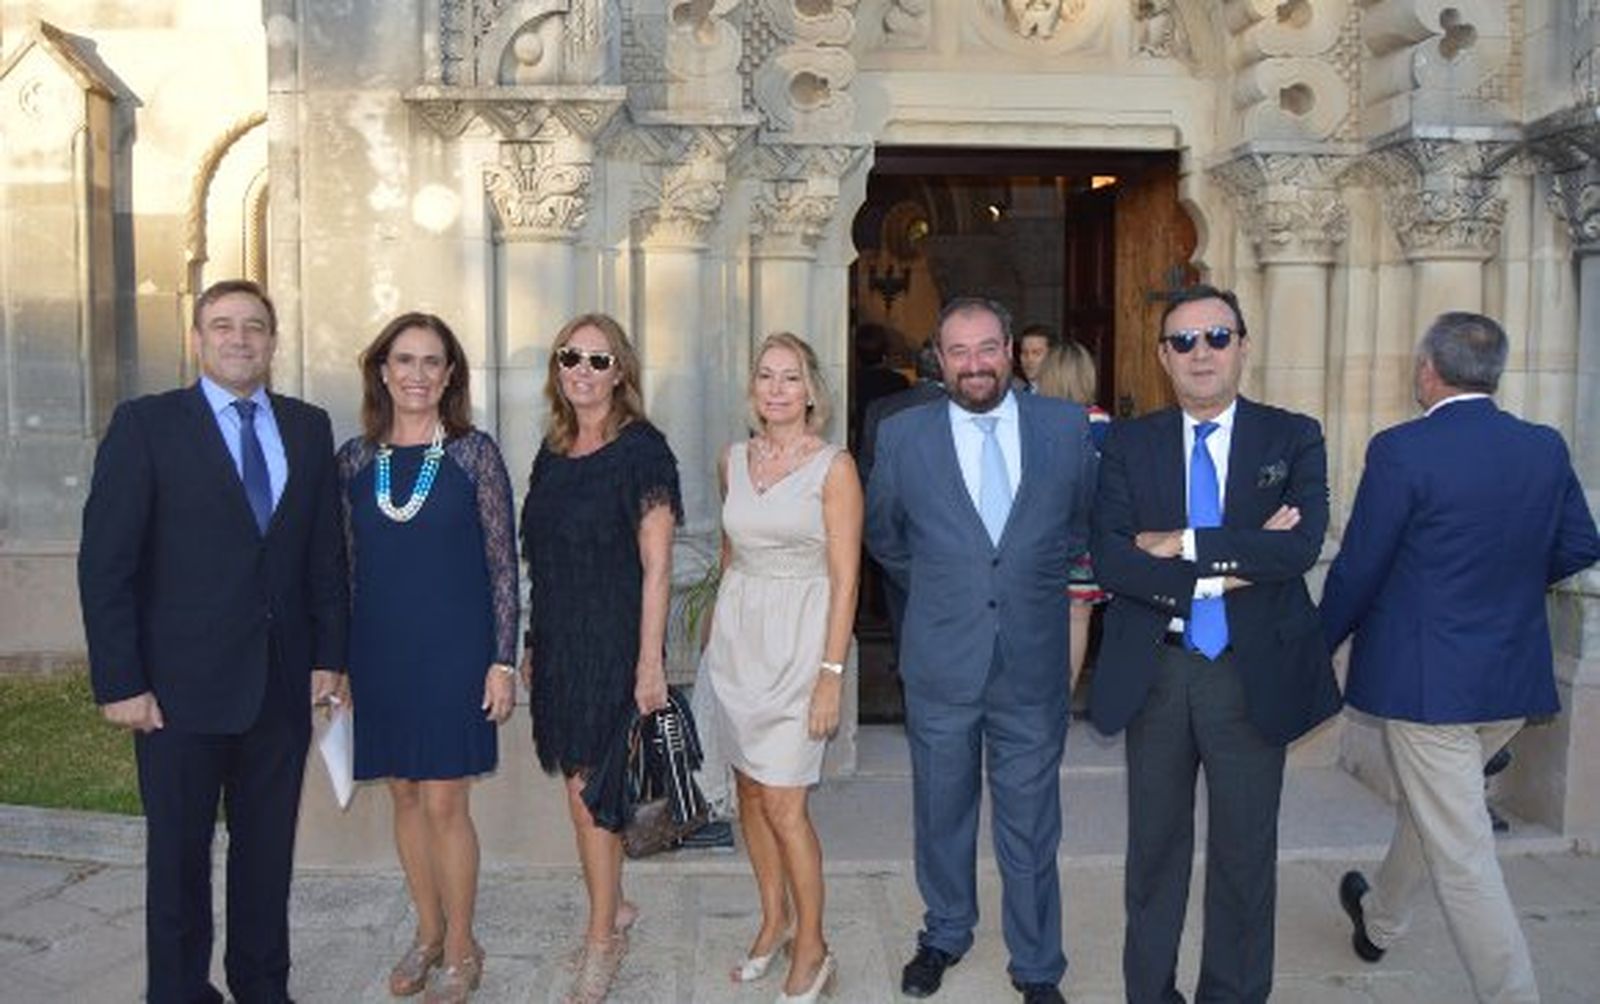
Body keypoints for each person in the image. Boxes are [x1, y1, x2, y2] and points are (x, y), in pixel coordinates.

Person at [77, 279, 348, 1004]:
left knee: (267, 859)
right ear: (197, 339)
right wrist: (120, 682)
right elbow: (106, 563)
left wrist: (330, 657)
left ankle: (263, 988)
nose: (239, 338)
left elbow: (325, 555)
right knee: (179, 860)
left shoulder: (307, 427)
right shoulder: (146, 426)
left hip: (280, 684)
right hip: (175, 694)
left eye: (254, 326)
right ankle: (176, 991)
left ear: (272, 340)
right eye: (222, 325)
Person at [1321, 312, 1600, 1004]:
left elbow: (1360, 567)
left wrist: (1314, 644)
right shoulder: (1542, 445)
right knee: (1441, 813)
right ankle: (1380, 920)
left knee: (1466, 859)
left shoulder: (1402, 450)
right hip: (1509, 680)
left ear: (1427, 370)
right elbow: (1578, 543)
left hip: (1429, 688)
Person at [1088, 284, 1341, 1004]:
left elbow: (1296, 550)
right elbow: (1111, 559)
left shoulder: (1292, 436)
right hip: (1159, 674)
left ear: (1244, 346)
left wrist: (1182, 545)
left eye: (1218, 337)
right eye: (1184, 341)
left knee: (1243, 856)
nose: (1202, 353)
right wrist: (1230, 567)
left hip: (1247, 675)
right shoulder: (1129, 444)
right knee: (1155, 855)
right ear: (1164, 358)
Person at [866, 297, 1096, 1004]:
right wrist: (949, 587)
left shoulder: (1063, 427)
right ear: (937, 357)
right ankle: (945, 932)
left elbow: (1079, 524)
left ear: (1010, 351)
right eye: (958, 351)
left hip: (1031, 662)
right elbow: (885, 537)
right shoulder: (903, 436)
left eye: (987, 348)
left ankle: (1036, 966)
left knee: (1031, 822)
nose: (974, 364)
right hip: (941, 660)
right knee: (941, 808)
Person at [335, 313, 518, 1002]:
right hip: (379, 652)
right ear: (382, 370)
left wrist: (502, 659)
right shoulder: (354, 460)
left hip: (455, 651)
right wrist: (339, 663)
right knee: (404, 794)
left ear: (449, 376)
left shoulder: (475, 454)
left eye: (431, 362)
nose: (416, 374)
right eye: (403, 360)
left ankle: (464, 944)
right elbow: (344, 571)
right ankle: (427, 932)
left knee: (444, 799)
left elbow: (503, 566)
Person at [519, 313, 681, 1004]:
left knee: (594, 790)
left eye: (598, 359)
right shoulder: (552, 451)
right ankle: (612, 907)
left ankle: (601, 937)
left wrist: (650, 665)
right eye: (570, 357)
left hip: (616, 641)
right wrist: (532, 643)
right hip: (561, 640)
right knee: (579, 785)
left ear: (622, 373)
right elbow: (542, 562)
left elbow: (659, 568)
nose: (582, 371)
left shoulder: (643, 450)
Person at [703, 332, 863, 1003]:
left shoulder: (834, 467)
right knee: (747, 793)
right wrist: (713, 636)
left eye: (789, 377)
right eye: (765, 376)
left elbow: (847, 577)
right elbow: (730, 551)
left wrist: (830, 673)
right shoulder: (732, 459)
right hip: (738, 642)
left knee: (785, 802)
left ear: (811, 390)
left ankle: (813, 944)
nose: (776, 389)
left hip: (802, 643)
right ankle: (774, 920)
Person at [1033, 340, 1112, 698]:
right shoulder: (1101, 423)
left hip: (1040, 535)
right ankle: (1062, 696)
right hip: (1088, 532)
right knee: (1077, 615)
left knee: (1037, 616)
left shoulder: (1032, 420)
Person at [1015, 323, 1056, 392]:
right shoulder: (1016, 392)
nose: (1029, 359)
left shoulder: (1061, 395)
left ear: (1052, 355)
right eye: (1024, 352)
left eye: (1036, 353)